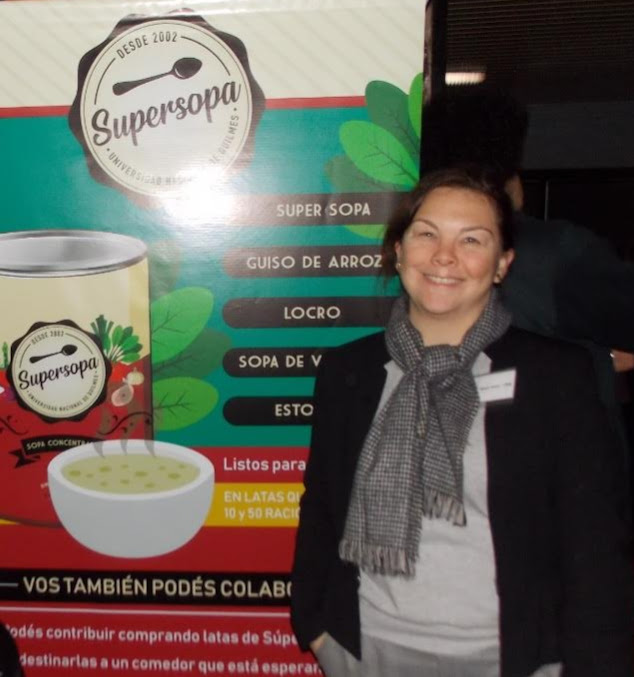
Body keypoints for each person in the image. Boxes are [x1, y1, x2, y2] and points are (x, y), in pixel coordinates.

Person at [290, 167, 632, 677]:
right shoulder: (348, 371)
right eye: (426, 234)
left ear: (502, 264)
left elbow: (596, 545)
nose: (444, 256)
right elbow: (321, 506)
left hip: (510, 657)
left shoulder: (557, 376)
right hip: (366, 648)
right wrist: (314, 624)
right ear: (399, 251)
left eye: (471, 239)